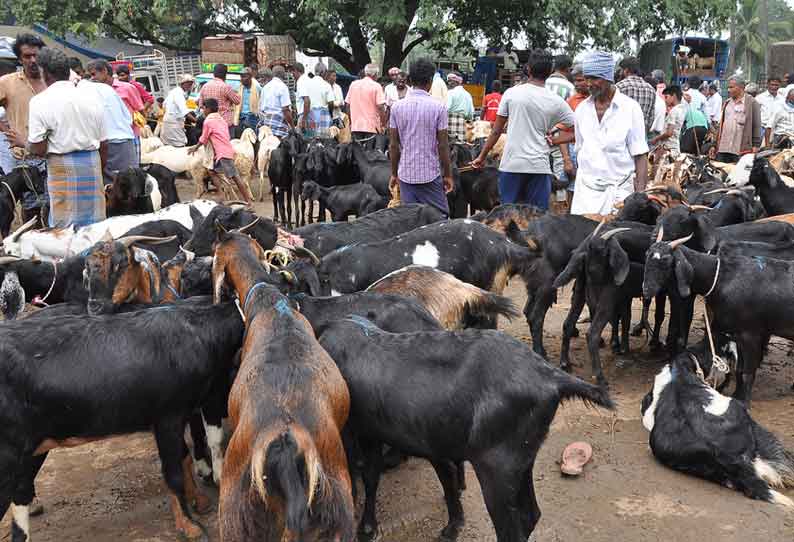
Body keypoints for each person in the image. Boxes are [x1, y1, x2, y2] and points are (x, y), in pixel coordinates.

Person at [472, 49, 575, 210]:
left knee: (508, 217)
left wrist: (481, 156)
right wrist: (555, 140)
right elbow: (578, 131)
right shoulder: (557, 101)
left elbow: (496, 132)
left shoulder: (511, 94)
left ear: (528, 69)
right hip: (539, 167)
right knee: (537, 219)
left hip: (512, 165)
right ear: (549, 72)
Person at [21, 48, 105, 227]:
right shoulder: (91, 97)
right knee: (94, 225)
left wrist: (24, 143)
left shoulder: (40, 101)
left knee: (64, 228)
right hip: (92, 163)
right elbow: (104, 141)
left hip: (62, 166)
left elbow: (38, 148)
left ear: (45, 72)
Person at [569, 51, 649, 216]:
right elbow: (580, 149)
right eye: (587, 78)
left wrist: (640, 195)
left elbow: (640, 155)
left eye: (594, 78)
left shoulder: (630, 109)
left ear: (608, 78)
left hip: (619, 194)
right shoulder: (582, 110)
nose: (589, 83)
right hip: (585, 194)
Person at [388, 58, 453, 217]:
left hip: (406, 175)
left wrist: (394, 173)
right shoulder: (439, 108)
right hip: (430, 175)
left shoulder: (397, 107)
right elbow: (443, 146)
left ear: (410, 80)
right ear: (430, 81)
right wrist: (448, 175)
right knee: (441, 216)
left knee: (411, 220)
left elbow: (393, 146)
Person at [0, 33, 49, 220]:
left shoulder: (53, 79)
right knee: (32, 209)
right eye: (27, 56)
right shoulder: (7, 82)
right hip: (26, 158)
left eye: (36, 55)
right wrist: (8, 132)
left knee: (56, 207)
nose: (33, 60)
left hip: (54, 154)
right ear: (20, 59)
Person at [188, 97, 254, 203]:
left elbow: (204, 138)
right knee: (211, 170)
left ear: (208, 109)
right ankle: (222, 196)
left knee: (235, 177)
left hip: (222, 153)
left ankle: (248, 201)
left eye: (203, 108)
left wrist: (195, 147)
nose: (202, 110)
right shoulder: (221, 119)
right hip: (225, 150)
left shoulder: (208, 121)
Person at [85, 63, 137, 184]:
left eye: (93, 74)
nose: (93, 78)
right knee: (131, 182)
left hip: (111, 142)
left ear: (104, 71)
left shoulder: (88, 91)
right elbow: (127, 117)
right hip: (125, 139)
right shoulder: (106, 89)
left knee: (115, 185)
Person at [711, 75, 761, 163]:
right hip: (723, 148)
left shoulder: (752, 103)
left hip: (741, 150)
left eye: (731, 87)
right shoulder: (727, 103)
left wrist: (755, 146)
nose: (728, 90)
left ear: (741, 87)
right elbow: (721, 126)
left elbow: (756, 126)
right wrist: (714, 144)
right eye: (728, 87)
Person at [345, 63, 386, 147]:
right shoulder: (376, 86)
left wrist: (351, 121)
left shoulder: (353, 84)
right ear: (375, 74)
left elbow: (347, 105)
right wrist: (383, 124)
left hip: (356, 126)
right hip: (371, 127)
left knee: (357, 155)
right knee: (369, 154)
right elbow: (381, 107)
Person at [198, 63, 241, 138]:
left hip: (210, 124)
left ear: (214, 74)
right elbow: (237, 101)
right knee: (227, 146)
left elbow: (200, 105)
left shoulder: (205, 86)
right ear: (225, 75)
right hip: (224, 124)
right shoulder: (225, 87)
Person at [616, 56, 656, 134]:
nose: (619, 73)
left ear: (626, 70)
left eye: (621, 70)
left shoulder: (620, 87)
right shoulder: (651, 89)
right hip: (641, 137)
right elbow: (651, 118)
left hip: (621, 137)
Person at [298, 62, 334, 137]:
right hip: (323, 115)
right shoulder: (327, 85)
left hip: (310, 115)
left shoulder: (307, 84)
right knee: (323, 141)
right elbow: (331, 103)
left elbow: (306, 101)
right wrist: (331, 114)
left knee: (310, 139)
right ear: (323, 72)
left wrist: (304, 119)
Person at [259, 64, 294, 138]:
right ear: (284, 75)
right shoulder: (283, 87)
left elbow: (261, 109)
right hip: (279, 126)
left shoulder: (265, 87)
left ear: (273, 74)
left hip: (266, 126)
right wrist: (292, 126)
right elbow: (285, 110)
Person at [650, 86, 686, 156]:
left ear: (674, 96)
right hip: (675, 146)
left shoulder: (674, 111)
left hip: (669, 148)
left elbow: (669, 133)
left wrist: (656, 139)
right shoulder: (682, 109)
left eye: (666, 97)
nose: (665, 100)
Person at [161, 74, 196, 147]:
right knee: (179, 144)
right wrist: (196, 121)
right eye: (189, 84)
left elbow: (164, 104)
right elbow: (185, 112)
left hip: (167, 121)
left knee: (168, 146)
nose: (190, 86)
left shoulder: (174, 91)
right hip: (174, 123)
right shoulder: (179, 94)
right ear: (183, 84)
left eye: (191, 84)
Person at [445, 72, 474, 142]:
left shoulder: (450, 93)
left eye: (449, 81)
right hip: (463, 126)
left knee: (449, 147)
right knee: (461, 147)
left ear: (455, 82)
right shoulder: (468, 95)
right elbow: (471, 114)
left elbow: (446, 109)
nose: (448, 83)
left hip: (450, 124)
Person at [233, 66, 261, 136]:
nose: (242, 79)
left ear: (250, 77)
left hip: (252, 118)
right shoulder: (238, 88)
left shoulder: (257, 88)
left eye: (244, 76)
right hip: (240, 118)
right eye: (241, 76)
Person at [757, 75, 783, 143]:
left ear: (779, 85)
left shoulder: (782, 99)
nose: (774, 87)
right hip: (761, 129)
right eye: (772, 84)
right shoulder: (760, 98)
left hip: (776, 130)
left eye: (776, 85)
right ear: (768, 84)